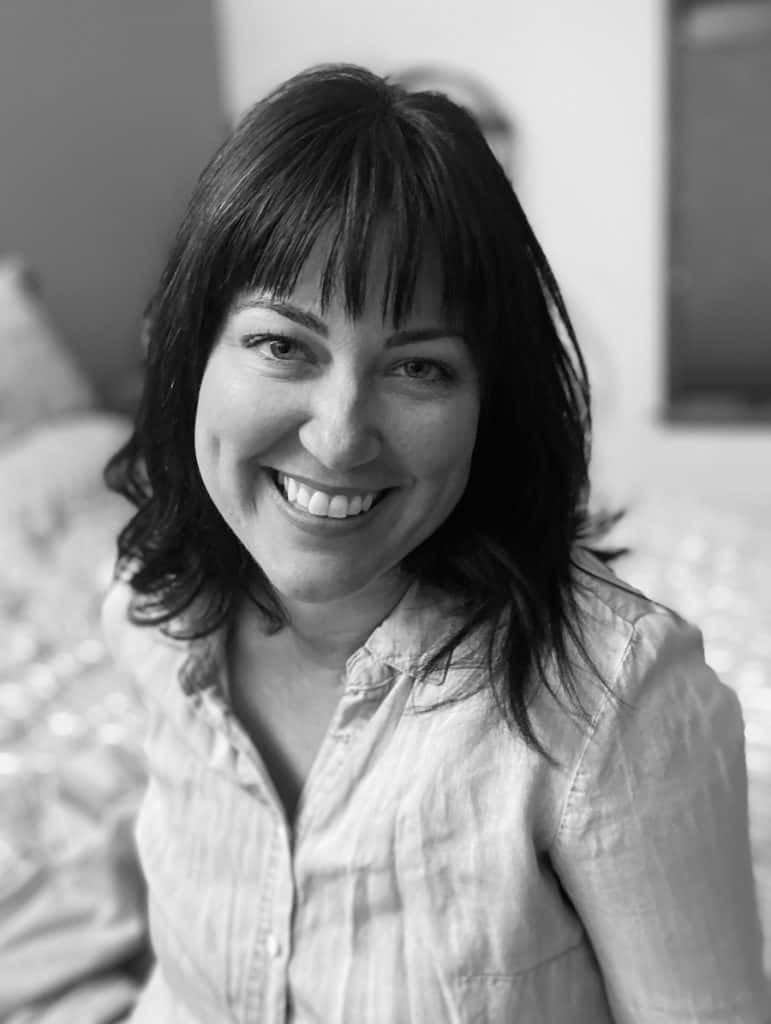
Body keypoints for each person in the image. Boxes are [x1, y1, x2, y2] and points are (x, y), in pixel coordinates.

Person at [99, 64, 768, 1022]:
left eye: (418, 367)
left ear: (487, 404)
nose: (338, 436)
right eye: (283, 344)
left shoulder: (617, 706)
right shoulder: (144, 612)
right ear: (191, 354)